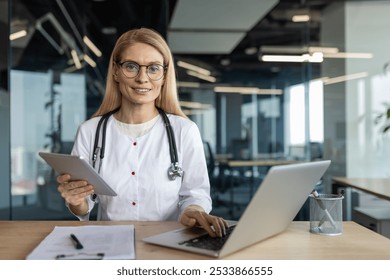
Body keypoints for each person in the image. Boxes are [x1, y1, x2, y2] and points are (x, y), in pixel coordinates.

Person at [57, 27, 227, 237]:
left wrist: (192, 211)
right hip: (110, 244)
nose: (142, 78)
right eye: (131, 66)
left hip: (170, 242)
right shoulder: (90, 131)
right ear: (116, 71)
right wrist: (76, 201)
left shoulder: (184, 130)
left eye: (153, 68)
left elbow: (196, 195)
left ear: (164, 76)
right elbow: (84, 206)